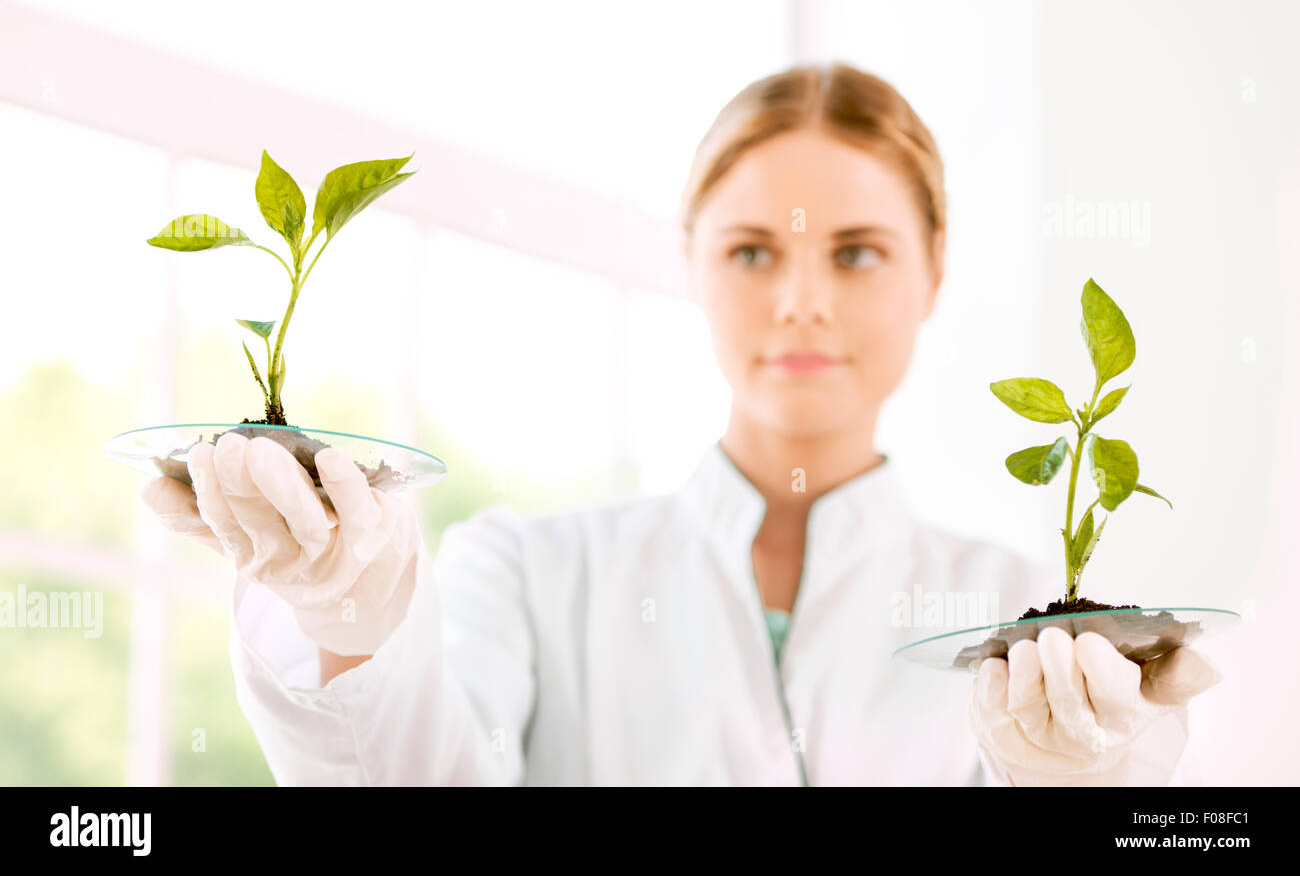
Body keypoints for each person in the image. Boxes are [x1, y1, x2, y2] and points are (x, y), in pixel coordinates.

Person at [141, 61, 1221, 786]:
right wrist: (349, 628)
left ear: (933, 269)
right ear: (691, 263)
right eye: (753, 250)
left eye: (855, 251)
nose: (800, 299)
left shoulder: (1021, 624)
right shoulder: (529, 571)